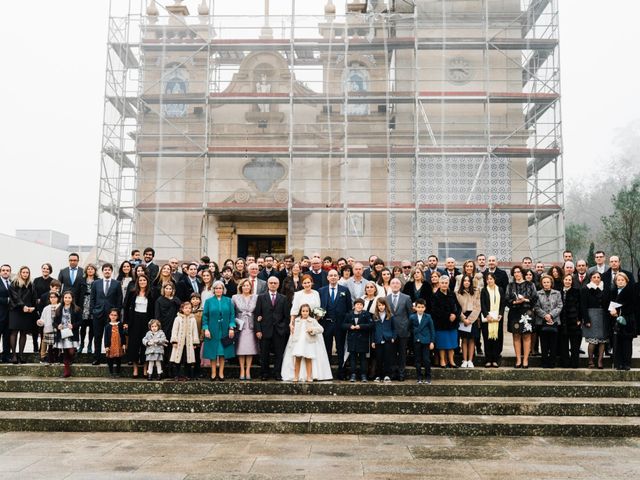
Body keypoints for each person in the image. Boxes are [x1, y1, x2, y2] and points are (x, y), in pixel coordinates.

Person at [281, 304, 331, 382]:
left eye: (306, 311)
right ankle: (296, 376)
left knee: (308, 359)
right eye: (303, 311)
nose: (305, 313)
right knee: (297, 359)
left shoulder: (313, 320)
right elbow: (293, 332)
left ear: (309, 312)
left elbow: (321, 329)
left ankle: (308, 376)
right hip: (299, 342)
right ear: (300, 312)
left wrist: (313, 330)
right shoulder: (297, 320)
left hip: (308, 342)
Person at [319, 269, 352, 380]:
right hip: (326, 324)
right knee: (326, 349)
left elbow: (348, 308)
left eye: (335, 275)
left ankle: (341, 371)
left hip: (340, 325)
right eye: (331, 275)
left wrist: (346, 322)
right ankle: (326, 372)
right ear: (327, 278)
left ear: (338, 277)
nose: (333, 277)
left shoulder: (345, 290)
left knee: (341, 348)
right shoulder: (321, 291)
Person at [254, 276, 289, 381]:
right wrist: (258, 330)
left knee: (279, 353)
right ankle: (264, 373)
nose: (273, 285)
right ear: (268, 284)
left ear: (278, 285)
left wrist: (283, 328)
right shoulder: (261, 297)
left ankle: (277, 372)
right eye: (271, 283)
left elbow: (286, 316)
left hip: (279, 331)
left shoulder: (283, 298)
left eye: (275, 283)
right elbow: (257, 315)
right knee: (264, 353)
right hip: (265, 330)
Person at [202, 281, 236, 381]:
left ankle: (221, 373)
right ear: (213, 289)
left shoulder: (228, 301)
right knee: (213, 352)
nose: (218, 290)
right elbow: (205, 316)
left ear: (223, 289)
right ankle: (213, 373)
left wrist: (231, 327)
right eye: (216, 288)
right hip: (212, 330)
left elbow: (232, 316)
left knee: (222, 353)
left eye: (220, 288)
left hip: (225, 330)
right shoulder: (209, 301)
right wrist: (206, 329)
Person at [90, 264, 123, 365]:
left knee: (112, 337)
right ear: (102, 271)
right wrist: (93, 311)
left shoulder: (116, 283)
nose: (107, 271)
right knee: (97, 336)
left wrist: (116, 313)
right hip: (98, 314)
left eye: (109, 270)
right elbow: (92, 298)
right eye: (105, 270)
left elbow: (119, 299)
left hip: (111, 316)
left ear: (112, 271)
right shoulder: (96, 283)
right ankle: (97, 358)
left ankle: (111, 357)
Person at [505, 265, 537, 368]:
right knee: (516, 335)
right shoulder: (510, 285)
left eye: (518, 272)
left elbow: (535, 298)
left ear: (522, 273)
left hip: (526, 313)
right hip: (514, 312)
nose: (516, 274)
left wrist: (525, 300)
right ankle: (518, 359)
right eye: (514, 272)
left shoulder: (530, 284)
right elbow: (506, 299)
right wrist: (515, 301)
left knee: (527, 335)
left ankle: (526, 360)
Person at [123, 274, 154, 378]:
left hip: (146, 320)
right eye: (140, 280)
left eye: (144, 280)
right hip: (134, 320)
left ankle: (145, 368)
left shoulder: (151, 293)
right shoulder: (132, 293)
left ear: (147, 281)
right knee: (134, 344)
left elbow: (152, 310)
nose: (142, 282)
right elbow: (126, 308)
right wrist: (126, 322)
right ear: (137, 282)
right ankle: (135, 368)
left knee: (146, 344)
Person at [8, 266, 37, 364]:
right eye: (23, 272)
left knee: (24, 333)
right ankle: (14, 356)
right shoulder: (14, 283)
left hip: (27, 311)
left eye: (27, 272)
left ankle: (21, 355)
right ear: (20, 273)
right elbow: (15, 297)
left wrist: (33, 307)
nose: (25, 274)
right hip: (16, 310)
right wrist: (22, 306)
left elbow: (34, 297)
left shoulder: (31, 284)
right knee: (14, 332)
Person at [534, 275, 563, 368]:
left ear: (551, 283)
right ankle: (544, 362)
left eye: (548, 282)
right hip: (541, 321)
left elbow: (559, 306)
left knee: (553, 343)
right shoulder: (538, 293)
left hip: (554, 321)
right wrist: (545, 315)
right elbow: (536, 307)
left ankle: (552, 362)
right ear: (542, 283)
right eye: (544, 282)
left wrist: (550, 315)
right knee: (544, 343)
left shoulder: (557, 293)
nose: (546, 284)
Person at [387, 278, 413, 381]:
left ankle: (402, 373)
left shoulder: (406, 298)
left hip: (403, 330)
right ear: (390, 285)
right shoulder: (386, 298)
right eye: (393, 283)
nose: (395, 285)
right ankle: (393, 373)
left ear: (400, 285)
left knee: (402, 354)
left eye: (397, 283)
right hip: (391, 331)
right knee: (392, 354)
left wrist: (408, 328)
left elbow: (410, 315)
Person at [232, 278, 259, 380]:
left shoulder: (256, 297)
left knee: (250, 349)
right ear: (241, 287)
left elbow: (258, 310)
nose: (246, 287)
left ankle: (248, 370)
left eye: (248, 285)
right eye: (244, 285)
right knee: (241, 349)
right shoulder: (235, 297)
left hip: (251, 326)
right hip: (240, 326)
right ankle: (242, 370)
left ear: (250, 287)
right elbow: (232, 312)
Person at [581, 271, 608, 369]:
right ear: (590, 278)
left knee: (602, 340)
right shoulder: (585, 289)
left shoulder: (604, 288)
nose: (596, 279)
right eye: (594, 277)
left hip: (603, 315)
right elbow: (583, 306)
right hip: (591, 315)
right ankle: (590, 360)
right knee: (592, 340)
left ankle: (600, 360)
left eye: (598, 277)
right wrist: (586, 320)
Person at [608, 272, 636, 370]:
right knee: (617, 342)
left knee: (627, 343)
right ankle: (618, 363)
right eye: (618, 280)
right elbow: (610, 304)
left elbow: (633, 306)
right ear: (615, 281)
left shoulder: (631, 291)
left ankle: (627, 363)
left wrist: (619, 311)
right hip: (616, 320)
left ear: (626, 281)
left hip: (628, 320)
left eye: (622, 280)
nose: (620, 282)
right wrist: (612, 311)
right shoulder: (613, 291)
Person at [154, 283, 182, 378]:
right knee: (163, 349)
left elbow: (180, 313)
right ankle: (162, 371)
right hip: (163, 327)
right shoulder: (159, 300)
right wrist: (158, 329)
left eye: (170, 288)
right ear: (163, 289)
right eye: (167, 288)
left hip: (174, 327)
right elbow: (157, 315)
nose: (169, 290)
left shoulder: (176, 300)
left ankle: (172, 371)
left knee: (172, 350)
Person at [432, 275, 460, 369]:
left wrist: (455, 315)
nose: (444, 285)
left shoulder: (452, 294)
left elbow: (457, 307)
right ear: (439, 284)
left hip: (452, 324)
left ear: (448, 284)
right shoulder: (435, 296)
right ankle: (442, 361)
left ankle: (452, 361)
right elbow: (435, 311)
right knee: (442, 344)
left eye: (446, 283)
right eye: (442, 283)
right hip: (441, 324)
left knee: (452, 344)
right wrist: (448, 316)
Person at [342, 298, 372, 382]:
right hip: (352, 340)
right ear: (354, 306)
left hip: (363, 340)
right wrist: (349, 326)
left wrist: (361, 326)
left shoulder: (366, 314)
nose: (359, 306)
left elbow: (371, 325)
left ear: (363, 306)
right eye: (357, 304)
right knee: (353, 358)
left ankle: (363, 375)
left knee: (363, 359)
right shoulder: (349, 314)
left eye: (361, 305)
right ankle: (353, 374)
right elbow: (343, 325)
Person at [53, 291, 82, 378]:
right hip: (62, 333)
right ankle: (67, 372)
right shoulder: (59, 309)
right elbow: (54, 322)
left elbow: (80, 321)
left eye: (69, 297)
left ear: (72, 298)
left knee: (71, 351)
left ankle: (71, 358)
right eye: (65, 297)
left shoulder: (77, 309)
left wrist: (73, 325)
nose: (67, 299)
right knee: (65, 352)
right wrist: (57, 326)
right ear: (63, 298)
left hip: (72, 334)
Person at [480, 272, 506, 368]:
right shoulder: (483, 290)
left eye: (491, 279)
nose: (489, 280)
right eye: (487, 279)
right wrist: (487, 315)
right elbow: (482, 304)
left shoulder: (500, 289)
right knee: (487, 339)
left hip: (497, 318)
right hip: (488, 319)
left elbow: (503, 303)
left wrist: (501, 314)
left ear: (494, 279)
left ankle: (495, 360)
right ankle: (488, 360)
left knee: (497, 339)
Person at [170, 301, 200, 380]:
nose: (188, 310)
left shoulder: (192, 319)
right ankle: (176, 375)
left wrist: (195, 342)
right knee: (177, 359)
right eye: (186, 308)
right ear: (182, 309)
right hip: (179, 343)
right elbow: (174, 330)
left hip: (189, 343)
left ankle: (186, 375)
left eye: (189, 308)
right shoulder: (178, 318)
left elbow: (195, 331)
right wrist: (174, 341)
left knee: (187, 359)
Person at [456, 275, 481, 368]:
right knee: (464, 339)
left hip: (473, 317)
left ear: (471, 282)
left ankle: (470, 360)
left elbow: (478, 307)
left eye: (468, 281)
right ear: (462, 282)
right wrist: (463, 319)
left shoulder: (476, 292)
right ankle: (464, 360)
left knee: (472, 339)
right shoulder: (458, 293)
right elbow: (457, 308)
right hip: (462, 317)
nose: (466, 282)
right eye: (464, 281)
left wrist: (470, 320)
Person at [559, 274, 582, 368]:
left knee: (575, 344)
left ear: (572, 281)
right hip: (562, 321)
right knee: (563, 344)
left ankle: (574, 364)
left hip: (574, 321)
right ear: (563, 280)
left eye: (569, 280)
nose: (567, 281)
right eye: (566, 279)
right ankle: (565, 363)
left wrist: (579, 319)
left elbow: (580, 306)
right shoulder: (558, 292)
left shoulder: (576, 292)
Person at [371, 298, 395, 382]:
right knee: (378, 358)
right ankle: (378, 375)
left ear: (386, 305)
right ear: (377, 306)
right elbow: (373, 330)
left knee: (387, 358)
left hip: (388, 339)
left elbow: (394, 328)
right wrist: (373, 341)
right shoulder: (375, 316)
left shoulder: (390, 315)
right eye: (379, 305)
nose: (381, 307)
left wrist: (393, 337)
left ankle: (387, 375)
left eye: (383, 305)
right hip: (378, 339)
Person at [411, 298, 435, 384]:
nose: (420, 309)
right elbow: (410, 328)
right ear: (415, 308)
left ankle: (428, 377)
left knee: (426, 360)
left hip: (426, 341)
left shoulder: (428, 317)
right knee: (417, 360)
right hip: (417, 340)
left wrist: (432, 341)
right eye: (418, 307)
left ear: (425, 308)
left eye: (422, 307)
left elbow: (432, 329)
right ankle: (419, 377)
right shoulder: (412, 317)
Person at [36, 291, 59, 365]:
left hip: (58, 329)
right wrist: (40, 322)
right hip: (48, 329)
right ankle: (47, 358)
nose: (53, 299)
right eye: (51, 297)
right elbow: (43, 318)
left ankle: (56, 359)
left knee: (56, 345)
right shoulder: (46, 308)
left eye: (54, 297)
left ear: (58, 298)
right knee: (49, 344)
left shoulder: (60, 306)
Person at [80, 264, 98, 355]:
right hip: (84, 305)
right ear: (86, 271)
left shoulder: (98, 281)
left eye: (92, 269)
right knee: (83, 327)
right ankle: (82, 344)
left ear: (95, 271)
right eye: (88, 269)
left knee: (92, 327)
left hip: (93, 304)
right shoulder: (82, 280)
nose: (90, 270)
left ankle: (90, 345)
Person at [103, 308, 126, 378]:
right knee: (110, 359)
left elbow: (123, 335)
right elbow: (106, 337)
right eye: (111, 315)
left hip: (118, 344)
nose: (113, 316)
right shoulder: (107, 326)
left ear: (118, 316)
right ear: (109, 316)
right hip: (111, 345)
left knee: (118, 359)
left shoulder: (120, 325)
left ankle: (118, 372)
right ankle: (111, 372)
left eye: (115, 315)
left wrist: (124, 344)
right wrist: (106, 346)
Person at [0, 264, 11, 363]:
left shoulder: (11, 283)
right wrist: (7, 300)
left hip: (10, 316)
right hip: (0, 314)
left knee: (7, 337)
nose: (5, 272)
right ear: (0, 272)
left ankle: (6, 356)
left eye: (7, 270)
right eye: (3, 270)